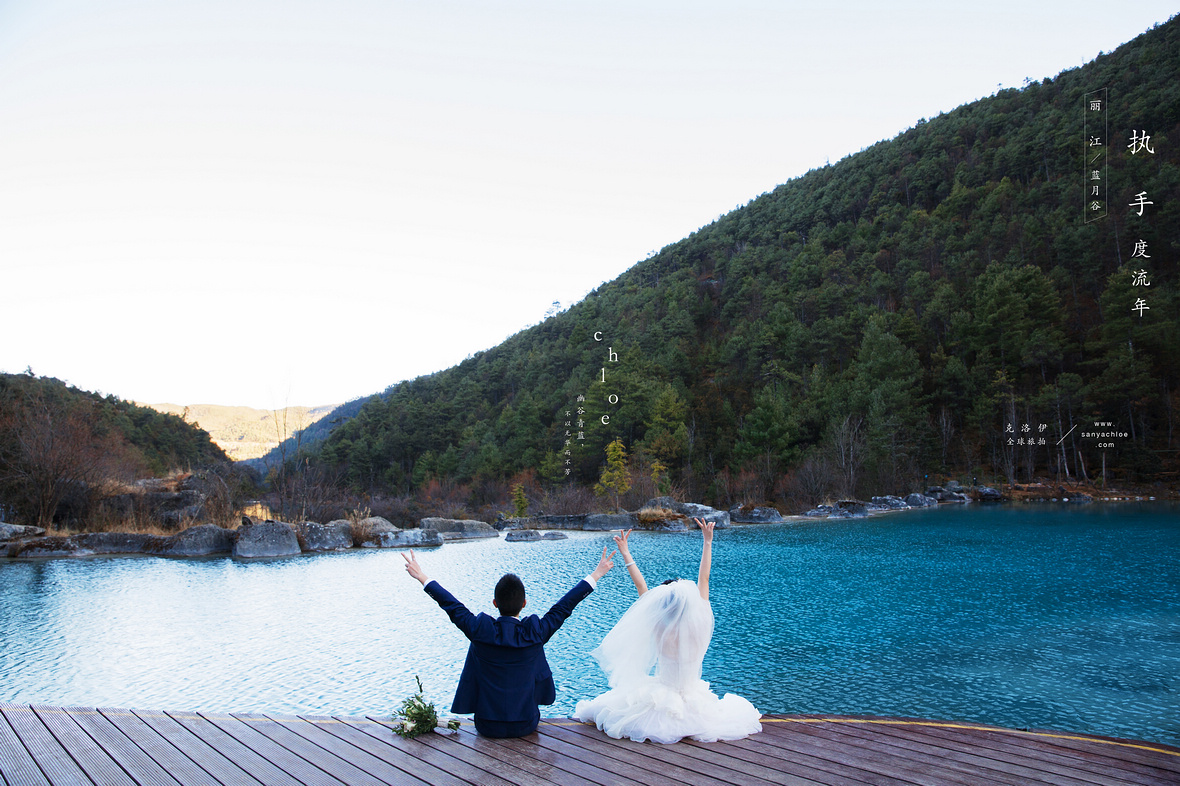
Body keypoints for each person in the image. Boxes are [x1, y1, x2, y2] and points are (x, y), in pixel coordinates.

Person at [573, 518, 762, 744]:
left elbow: (642, 588)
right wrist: (707, 542)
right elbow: (704, 578)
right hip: (695, 699)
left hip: (662, 697)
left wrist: (626, 553)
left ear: (662, 607)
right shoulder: (700, 623)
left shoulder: (659, 627)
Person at [402, 546, 616, 738]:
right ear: (524, 603)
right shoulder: (535, 632)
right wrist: (596, 574)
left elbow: (451, 605)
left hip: (486, 727)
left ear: (494, 603)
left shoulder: (480, 630)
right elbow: (564, 606)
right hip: (526, 725)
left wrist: (422, 577)